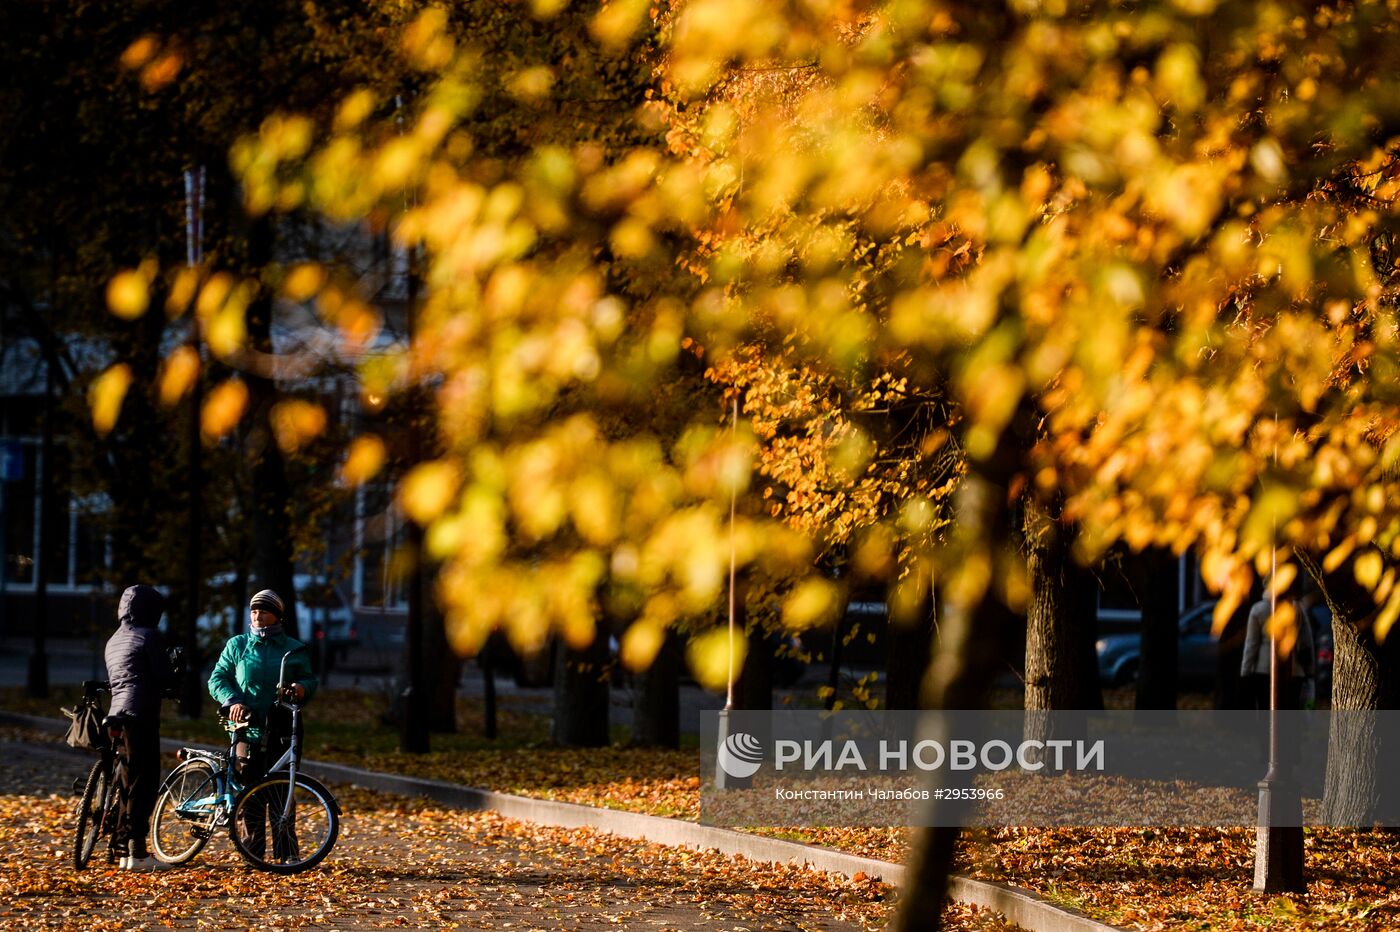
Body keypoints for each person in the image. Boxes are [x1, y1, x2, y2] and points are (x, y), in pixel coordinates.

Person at [104, 584, 177, 871]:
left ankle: (123, 849)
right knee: (143, 783)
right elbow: (163, 676)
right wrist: (174, 683)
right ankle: (137, 852)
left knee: (125, 781)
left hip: (116, 714)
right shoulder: (149, 636)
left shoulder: (114, 639)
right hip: (141, 713)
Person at [207, 589, 318, 778]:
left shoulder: (294, 649)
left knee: (279, 794)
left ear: (277, 616)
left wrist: (301, 689)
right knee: (247, 796)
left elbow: (309, 680)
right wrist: (232, 700)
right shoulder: (238, 645)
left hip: (282, 729)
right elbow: (217, 678)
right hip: (245, 729)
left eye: (264, 612)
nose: (257, 616)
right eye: (254, 611)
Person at [1240, 582, 1317, 711]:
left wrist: (1245, 672)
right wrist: (1309, 670)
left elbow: (1251, 645)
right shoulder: (1297, 608)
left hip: (1264, 670)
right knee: (1291, 712)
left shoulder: (1258, 610)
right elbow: (1306, 641)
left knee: (1266, 712)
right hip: (1294, 670)